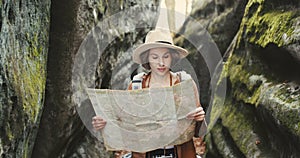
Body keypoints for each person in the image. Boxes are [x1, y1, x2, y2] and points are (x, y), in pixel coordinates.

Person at [92, 28, 206, 158]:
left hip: (180, 154)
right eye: (155, 57)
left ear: (172, 57)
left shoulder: (185, 83)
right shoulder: (136, 86)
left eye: (166, 56)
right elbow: (124, 126)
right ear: (147, 59)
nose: (161, 62)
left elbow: (199, 132)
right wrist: (104, 124)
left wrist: (200, 119)